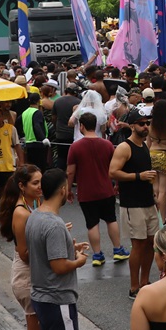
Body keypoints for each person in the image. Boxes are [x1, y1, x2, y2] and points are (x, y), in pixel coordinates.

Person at [26, 167, 91, 330]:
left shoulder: (35, 216)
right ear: (63, 190)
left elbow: (44, 254)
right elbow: (59, 266)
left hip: (40, 296)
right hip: (58, 298)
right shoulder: (53, 224)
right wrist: (79, 260)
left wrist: (68, 248)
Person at [0, 165, 47, 330]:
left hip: (31, 275)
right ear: (22, 186)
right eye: (35, 183)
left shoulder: (29, 206)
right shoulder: (22, 212)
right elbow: (25, 253)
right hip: (27, 277)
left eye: (41, 182)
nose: (40, 187)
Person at [66, 112, 129, 267]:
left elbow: (70, 171)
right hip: (106, 189)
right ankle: (117, 249)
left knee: (92, 223)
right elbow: (115, 167)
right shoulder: (107, 144)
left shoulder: (76, 147)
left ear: (81, 126)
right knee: (111, 219)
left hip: (86, 192)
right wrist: (117, 183)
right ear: (95, 125)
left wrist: (68, 189)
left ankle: (97, 254)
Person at [110, 109, 159, 297]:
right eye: (141, 123)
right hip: (132, 204)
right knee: (138, 244)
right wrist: (139, 176)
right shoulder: (124, 147)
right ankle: (134, 287)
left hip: (147, 201)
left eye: (147, 123)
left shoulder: (144, 145)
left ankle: (145, 281)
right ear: (131, 126)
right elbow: (113, 172)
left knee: (150, 243)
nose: (145, 126)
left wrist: (152, 190)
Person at [19, 90, 52, 170]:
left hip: (29, 143)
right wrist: (43, 138)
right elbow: (37, 126)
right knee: (40, 168)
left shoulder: (25, 112)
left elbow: (18, 123)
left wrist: (22, 135)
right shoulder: (37, 112)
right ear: (38, 101)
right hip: (38, 144)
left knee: (32, 167)